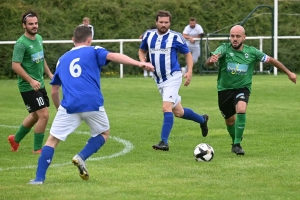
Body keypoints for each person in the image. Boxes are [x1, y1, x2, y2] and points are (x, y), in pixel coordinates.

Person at [28, 26, 154, 185]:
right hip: (92, 103)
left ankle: (39, 179)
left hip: (69, 106)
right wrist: (139, 64)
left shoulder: (62, 59)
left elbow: (54, 91)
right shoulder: (94, 50)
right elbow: (114, 56)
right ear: (89, 40)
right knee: (104, 133)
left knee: (52, 141)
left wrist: (60, 109)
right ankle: (81, 156)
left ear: (73, 40)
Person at [205, 25, 297, 155]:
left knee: (241, 108)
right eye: (232, 36)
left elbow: (271, 60)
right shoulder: (224, 48)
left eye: (238, 36)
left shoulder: (252, 52)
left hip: (243, 88)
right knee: (230, 120)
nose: (234, 39)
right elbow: (209, 61)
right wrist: (212, 59)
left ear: (244, 37)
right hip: (224, 90)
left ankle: (237, 144)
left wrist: (289, 73)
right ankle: (234, 141)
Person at [138, 10, 209, 151]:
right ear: (156, 22)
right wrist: (143, 62)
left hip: (173, 77)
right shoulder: (148, 35)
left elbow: (188, 55)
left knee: (166, 107)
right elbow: (142, 50)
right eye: (161, 22)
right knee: (179, 112)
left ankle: (164, 142)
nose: (163, 25)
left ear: (170, 23)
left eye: (166, 22)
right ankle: (202, 119)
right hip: (159, 80)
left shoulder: (176, 37)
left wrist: (189, 72)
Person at [8, 11, 53, 154]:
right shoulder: (21, 44)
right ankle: (37, 149)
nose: (34, 26)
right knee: (44, 115)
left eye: (36, 23)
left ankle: (15, 139)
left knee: (35, 115)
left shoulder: (39, 38)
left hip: (40, 84)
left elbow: (41, 58)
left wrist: (50, 74)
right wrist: (31, 80)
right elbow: (15, 65)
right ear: (24, 25)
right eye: (31, 24)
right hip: (28, 86)